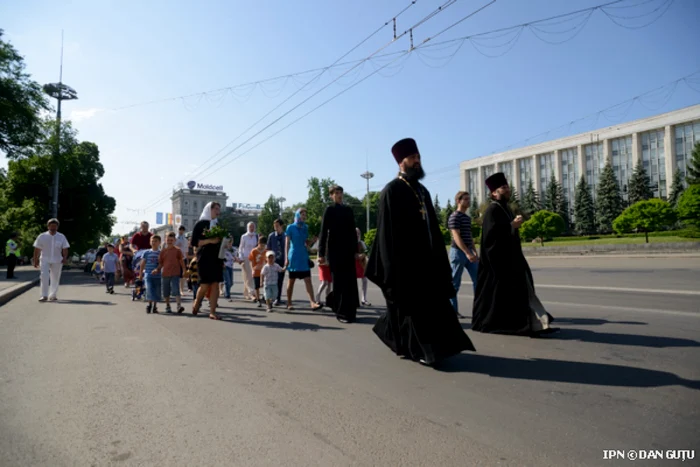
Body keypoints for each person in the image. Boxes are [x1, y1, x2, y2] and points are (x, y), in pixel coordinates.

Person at [366, 138, 476, 366]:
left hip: (427, 262)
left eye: (419, 157)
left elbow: (432, 228)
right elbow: (386, 235)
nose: (417, 161)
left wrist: (438, 257)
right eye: (413, 158)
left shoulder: (421, 190)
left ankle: (426, 348)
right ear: (401, 162)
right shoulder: (391, 191)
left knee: (428, 308)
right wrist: (391, 268)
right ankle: (424, 350)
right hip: (404, 263)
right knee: (412, 310)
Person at [472, 172, 558, 336]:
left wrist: (513, 226)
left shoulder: (505, 208)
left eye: (507, 187)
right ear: (494, 193)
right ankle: (533, 324)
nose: (507, 190)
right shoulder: (492, 210)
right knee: (514, 294)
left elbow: (508, 231)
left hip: (513, 259)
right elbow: (490, 238)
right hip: (499, 262)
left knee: (525, 290)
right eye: (503, 188)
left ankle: (538, 323)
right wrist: (512, 226)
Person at [318, 185, 359, 323]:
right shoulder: (329, 210)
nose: (339, 195)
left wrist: (356, 251)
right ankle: (341, 312)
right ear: (331, 195)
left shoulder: (348, 210)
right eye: (336, 193)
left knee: (350, 282)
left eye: (341, 193)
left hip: (348, 251)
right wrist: (321, 253)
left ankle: (351, 311)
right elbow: (323, 232)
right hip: (335, 251)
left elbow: (353, 233)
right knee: (339, 282)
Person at [191, 202, 225, 320]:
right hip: (204, 257)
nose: (218, 211)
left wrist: (225, 243)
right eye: (215, 209)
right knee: (204, 285)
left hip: (216, 257)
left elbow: (219, 241)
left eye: (218, 209)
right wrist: (210, 240)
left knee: (215, 284)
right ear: (209, 209)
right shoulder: (200, 224)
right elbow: (194, 242)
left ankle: (212, 312)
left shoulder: (217, 224)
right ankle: (196, 303)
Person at [448, 191, 479, 318]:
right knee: (454, 283)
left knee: (478, 280)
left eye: (468, 199)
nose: (468, 201)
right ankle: (452, 311)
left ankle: (479, 310)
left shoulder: (466, 217)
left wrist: (475, 251)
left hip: (468, 252)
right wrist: (467, 252)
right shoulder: (454, 216)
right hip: (458, 253)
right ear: (458, 201)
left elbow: (469, 236)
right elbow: (456, 236)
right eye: (465, 199)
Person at [285, 208, 322, 311]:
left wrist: (313, 241)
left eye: (305, 214)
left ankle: (312, 303)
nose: (304, 216)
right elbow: (287, 243)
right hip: (294, 257)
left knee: (308, 280)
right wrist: (286, 258)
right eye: (302, 214)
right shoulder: (290, 227)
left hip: (303, 256)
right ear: (297, 215)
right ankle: (289, 303)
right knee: (291, 281)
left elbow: (306, 243)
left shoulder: (305, 227)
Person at [33, 219, 70, 302]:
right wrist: (35, 260)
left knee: (55, 278)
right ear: (48, 226)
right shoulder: (42, 236)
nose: (53, 228)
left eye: (55, 227)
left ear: (57, 227)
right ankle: (44, 295)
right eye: (51, 226)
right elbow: (37, 249)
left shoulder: (61, 236)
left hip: (57, 260)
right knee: (44, 276)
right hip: (44, 259)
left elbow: (65, 248)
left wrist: (64, 258)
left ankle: (53, 295)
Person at [155, 232, 187, 313]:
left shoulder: (177, 250)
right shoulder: (163, 251)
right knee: (166, 291)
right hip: (165, 273)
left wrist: (184, 270)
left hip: (175, 273)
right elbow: (161, 263)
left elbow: (181, 261)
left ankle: (179, 306)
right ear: (165, 240)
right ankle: (167, 305)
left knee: (176, 289)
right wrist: (157, 269)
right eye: (168, 240)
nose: (169, 241)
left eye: (171, 240)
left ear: (174, 240)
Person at [266, 219, 287, 306]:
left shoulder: (286, 235)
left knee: (280, 280)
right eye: (274, 225)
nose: (275, 227)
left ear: (281, 226)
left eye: (277, 225)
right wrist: (268, 260)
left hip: (282, 260)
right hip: (273, 261)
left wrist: (287, 260)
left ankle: (278, 298)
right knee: (271, 279)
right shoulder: (271, 236)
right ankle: (270, 297)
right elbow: (268, 248)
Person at [140, 235, 162, 314]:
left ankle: (155, 306)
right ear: (150, 242)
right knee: (149, 289)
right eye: (152, 241)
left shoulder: (161, 253)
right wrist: (140, 274)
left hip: (158, 275)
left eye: (155, 241)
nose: (153, 242)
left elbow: (161, 263)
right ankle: (149, 305)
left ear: (159, 242)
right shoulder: (146, 252)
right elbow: (142, 264)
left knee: (157, 291)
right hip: (148, 274)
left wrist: (157, 269)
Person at [239, 222, 259, 301]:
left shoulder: (256, 236)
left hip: (254, 258)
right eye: (250, 227)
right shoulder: (244, 236)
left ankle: (246, 293)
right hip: (246, 257)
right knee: (248, 276)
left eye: (253, 227)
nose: (252, 228)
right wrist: (240, 257)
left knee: (250, 276)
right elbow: (241, 248)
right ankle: (252, 293)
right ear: (247, 227)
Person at [248, 236, 268, 308]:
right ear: (258, 243)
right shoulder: (254, 251)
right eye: (261, 245)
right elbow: (251, 261)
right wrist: (253, 269)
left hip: (264, 271)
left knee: (265, 285)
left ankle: (265, 297)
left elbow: (267, 261)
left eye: (264, 245)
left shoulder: (266, 251)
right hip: (256, 271)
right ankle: (258, 299)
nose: (262, 247)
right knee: (257, 286)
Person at [355, 228, 371, 307]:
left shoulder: (361, 243)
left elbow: (366, 251)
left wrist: (364, 255)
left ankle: (364, 299)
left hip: (361, 264)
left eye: (358, 233)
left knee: (364, 280)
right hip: (354, 264)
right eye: (356, 233)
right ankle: (354, 300)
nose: (357, 235)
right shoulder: (350, 242)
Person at [175, 225, 189, 294]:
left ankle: (181, 290)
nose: (181, 231)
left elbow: (186, 250)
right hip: (175, 258)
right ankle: (175, 289)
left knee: (183, 275)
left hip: (183, 258)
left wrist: (187, 260)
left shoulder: (185, 240)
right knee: (175, 274)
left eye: (182, 230)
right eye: (180, 229)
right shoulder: (174, 238)